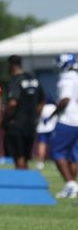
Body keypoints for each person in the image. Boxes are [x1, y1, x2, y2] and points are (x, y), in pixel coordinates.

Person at [2, 55, 45, 170]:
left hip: (17, 124)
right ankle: (27, 183)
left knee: (18, 157)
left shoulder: (15, 80)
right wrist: (35, 116)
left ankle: (22, 184)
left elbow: (12, 103)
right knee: (25, 157)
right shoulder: (34, 80)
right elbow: (42, 102)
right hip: (30, 124)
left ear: (11, 65)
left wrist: (6, 118)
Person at [48, 54, 78, 199]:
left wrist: (54, 113)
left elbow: (65, 99)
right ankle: (71, 187)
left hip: (68, 119)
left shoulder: (66, 79)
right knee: (74, 155)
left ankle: (71, 184)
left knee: (57, 151)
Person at [35, 101, 57, 170]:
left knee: (42, 144)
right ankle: (55, 162)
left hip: (43, 128)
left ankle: (40, 162)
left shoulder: (43, 106)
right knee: (53, 145)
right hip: (52, 127)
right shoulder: (54, 106)